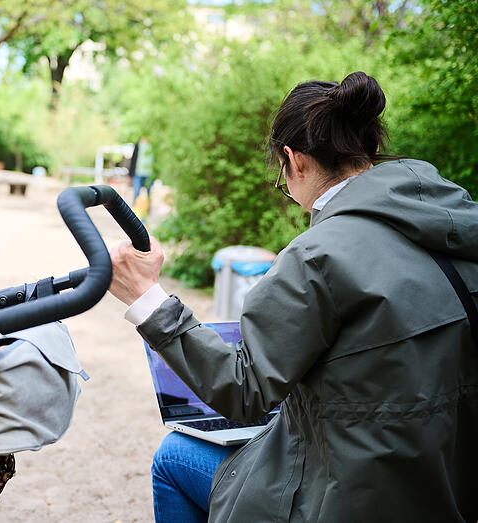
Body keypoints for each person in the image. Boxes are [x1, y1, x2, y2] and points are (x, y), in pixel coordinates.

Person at [108, 71, 478, 522]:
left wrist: (146, 298)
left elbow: (244, 392)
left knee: (174, 457)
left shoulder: (319, 256)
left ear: (293, 161)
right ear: (372, 150)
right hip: (447, 487)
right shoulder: (456, 226)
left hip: (351, 498)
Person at [128, 136, 155, 204]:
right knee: (136, 192)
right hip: (138, 173)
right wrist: (130, 174)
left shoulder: (152, 145)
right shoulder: (138, 145)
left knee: (148, 193)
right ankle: (134, 209)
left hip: (149, 174)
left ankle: (147, 209)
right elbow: (133, 160)